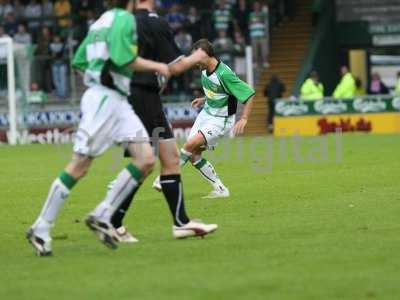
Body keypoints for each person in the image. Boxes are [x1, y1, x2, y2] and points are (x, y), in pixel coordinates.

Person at [26, 0, 173, 257]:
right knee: (80, 165)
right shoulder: (124, 19)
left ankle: (103, 214)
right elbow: (123, 58)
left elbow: (80, 60)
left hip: (117, 100)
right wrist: (158, 66)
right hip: (105, 100)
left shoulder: (99, 22)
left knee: (146, 159)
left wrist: (98, 74)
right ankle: (41, 227)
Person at [109, 0, 218, 243]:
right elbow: (175, 67)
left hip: (136, 96)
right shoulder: (152, 22)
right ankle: (111, 219)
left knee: (169, 159)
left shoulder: (121, 22)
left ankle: (181, 223)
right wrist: (196, 56)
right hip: (143, 97)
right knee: (144, 163)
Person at [154, 39, 255, 198]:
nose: (194, 62)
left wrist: (244, 118)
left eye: (196, 57)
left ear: (205, 55)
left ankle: (165, 177)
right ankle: (221, 189)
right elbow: (219, 92)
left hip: (221, 120)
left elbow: (249, 94)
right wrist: (204, 98)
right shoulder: (204, 69)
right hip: (206, 114)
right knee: (194, 155)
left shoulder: (224, 74)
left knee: (190, 144)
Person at [249, 1, 269, 68]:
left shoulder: (263, 14)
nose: (256, 7)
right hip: (253, 35)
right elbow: (249, 24)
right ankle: (255, 63)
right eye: (255, 5)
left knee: (264, 50)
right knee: (255, 50)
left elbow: (265, 22)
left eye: (257, 5)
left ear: (259, 7)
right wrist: (257, 21)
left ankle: (265, 62)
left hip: (262, 35)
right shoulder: (251, 14)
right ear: (253, 7)